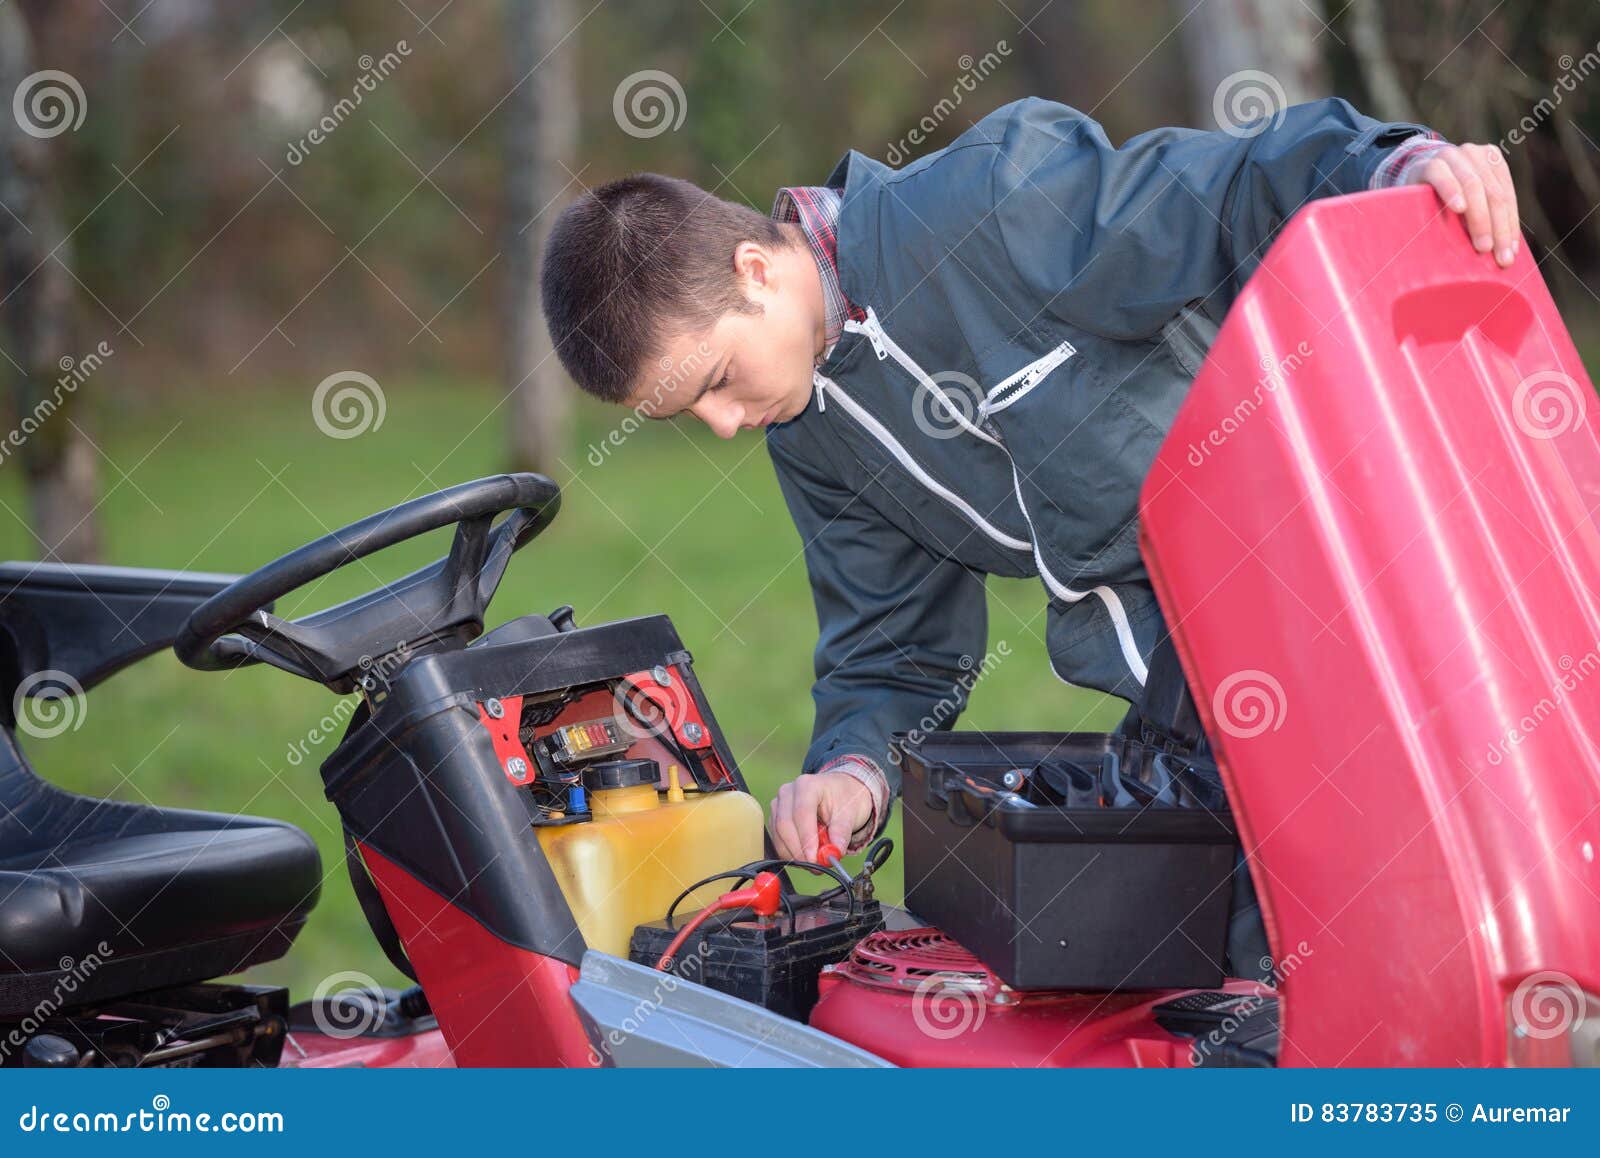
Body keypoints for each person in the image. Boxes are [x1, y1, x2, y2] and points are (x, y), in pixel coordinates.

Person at [539, 96, 1522, 871]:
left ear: (754, 268)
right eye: (686, 414)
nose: (722, 423)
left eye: (715, 381)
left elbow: (1226, 191)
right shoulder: (806, 426)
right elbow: (896, 650)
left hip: (1354, 615)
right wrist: (852, 769)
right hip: (1194, 718)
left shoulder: (993, 206)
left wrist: (1399, 163)